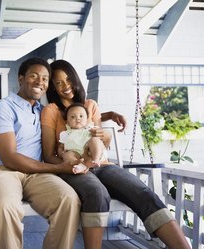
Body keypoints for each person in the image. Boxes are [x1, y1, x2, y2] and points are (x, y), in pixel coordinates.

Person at [41, 59, 191, 249]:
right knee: (97, 192)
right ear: (53, 87)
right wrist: (67, 164)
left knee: (143, 193)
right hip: (72, 168)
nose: (66, 86)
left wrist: (105, 136)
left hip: (101, 165)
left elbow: (100, 143)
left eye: (68, 79)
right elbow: (48, 155)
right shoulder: (51, 111)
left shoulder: (91, 105)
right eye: (59, 82)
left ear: (75, 78)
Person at [0, 57, 81, 249]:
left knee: (68, 199)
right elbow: (9, 157)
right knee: (4, 205)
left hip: (36, 175)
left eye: (44, 79)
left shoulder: (44, 111)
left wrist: (107, 116)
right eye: (33, 76)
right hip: (2, 171)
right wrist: (58, 167)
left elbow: (76, 116)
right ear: (21, 79)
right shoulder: (4, 107)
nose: (39, 82)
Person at [58, 103, 109, 173]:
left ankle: (95, 159)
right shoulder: (65, 133)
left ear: (87, 119)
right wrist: (61, 153)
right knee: (67, 155)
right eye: (73, 117)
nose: (78, 119)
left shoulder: (91, 129)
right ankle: (79, 165)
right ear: (67, 122)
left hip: (90, 152)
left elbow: (102, 142)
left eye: (81, 116)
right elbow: (61, 146)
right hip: (75, 154)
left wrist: (99, 135)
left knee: (95, 140)